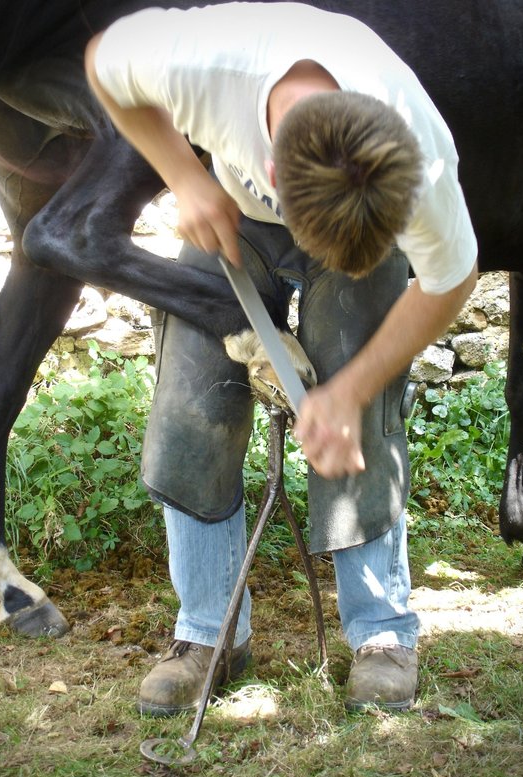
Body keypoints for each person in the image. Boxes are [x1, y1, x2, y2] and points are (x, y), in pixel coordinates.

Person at [85, 1, 478, 714]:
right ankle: (211, 633)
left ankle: (382, 635)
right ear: (268, 163)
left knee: (368, 381)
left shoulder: (417, 151)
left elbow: (453, 276)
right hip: (238, 216)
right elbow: (103, 60)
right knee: (189, 394)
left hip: (355, 231)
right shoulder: (203, 63)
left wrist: (349, 391)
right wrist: (184, 174)